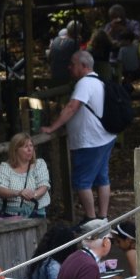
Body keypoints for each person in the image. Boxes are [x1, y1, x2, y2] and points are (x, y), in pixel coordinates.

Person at [39, 51, 117, 221]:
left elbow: (72, 107)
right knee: (102, 177)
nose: (69, 67)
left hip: (90, 141)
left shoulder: (85, 84)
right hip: (104, 137)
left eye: (72, 64)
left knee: (83, 182)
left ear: (83, 66)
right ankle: (102, 217)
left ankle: (91, 218)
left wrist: (53, 127)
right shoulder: (99, 81)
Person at [0, 134, 51, 218]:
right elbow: (0, 189)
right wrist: (19, 193)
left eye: (31, 146)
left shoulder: (39, 164)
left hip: (35, 214)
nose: (30, 149)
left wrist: (32, 195)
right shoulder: (4, 167)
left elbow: (44, 186)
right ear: (16, 150)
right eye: (25, 147)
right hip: (10, 216)